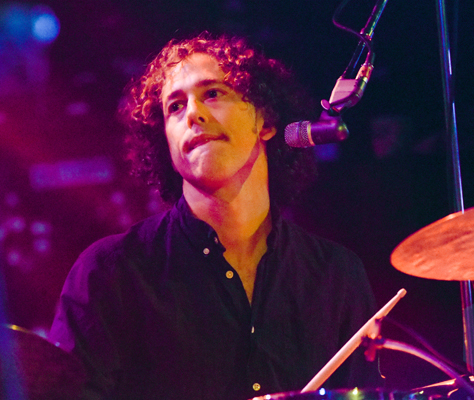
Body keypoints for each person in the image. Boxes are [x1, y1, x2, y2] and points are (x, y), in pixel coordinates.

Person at [49, 32, 382, 400]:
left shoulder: (336, 273)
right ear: (166, 142)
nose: (193, 113)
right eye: (175, 107)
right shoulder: (109, 273)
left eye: (212, 94)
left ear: (266, 122)